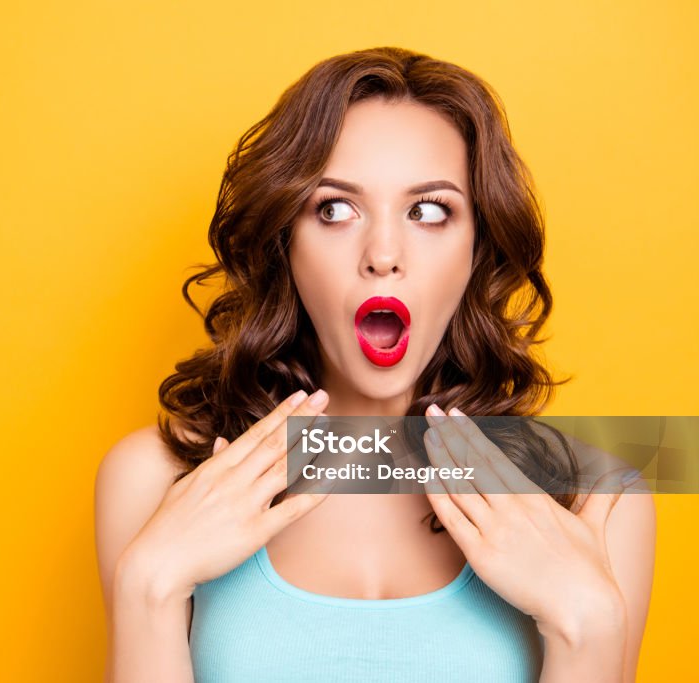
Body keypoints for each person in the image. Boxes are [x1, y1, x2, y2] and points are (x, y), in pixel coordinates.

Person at [94, 46, 655, 683]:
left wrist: (589, 627)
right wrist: (148, 586)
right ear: (286, 244)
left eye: (428, 211)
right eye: (334, 209)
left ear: (477, 248)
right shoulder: (154, 480)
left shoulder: (597, 500)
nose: (383, 254)